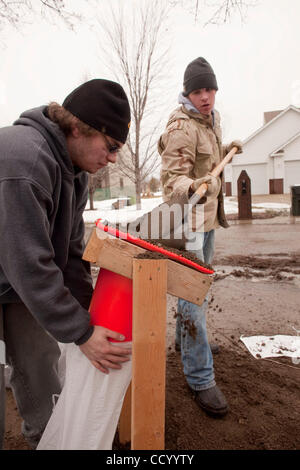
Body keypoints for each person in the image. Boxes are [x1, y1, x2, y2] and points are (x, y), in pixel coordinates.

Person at [0, 79, 132, 449]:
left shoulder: (73, 174)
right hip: (16, 272)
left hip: (13, 281)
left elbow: (71, 256)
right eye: (111, 146)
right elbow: (30, 263)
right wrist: (83, 333)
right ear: (77, 127)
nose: (113, 158)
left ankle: (49, 439)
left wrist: (90, 316)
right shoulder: (25, 162)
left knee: (41, 369)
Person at [158, 57, 242, 417]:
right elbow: (172, 179)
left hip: (206, 219)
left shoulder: (211, 118)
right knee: (194, 298)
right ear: (188, 92)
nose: (205, 97)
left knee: (200, 287)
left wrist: (228, 150)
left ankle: (187, 344)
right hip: (187, 222)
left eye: (209, 89)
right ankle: (199, 376)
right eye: (198, 90)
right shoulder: (181, 126)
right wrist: (191, 185)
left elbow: (209, 161)